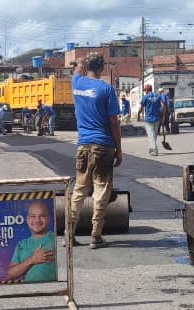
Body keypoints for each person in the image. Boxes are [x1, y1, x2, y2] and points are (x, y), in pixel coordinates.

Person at [69, 54, 122, 249]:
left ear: (86, 66)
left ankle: (70, 233)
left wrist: (80, 63)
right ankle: (95, 235)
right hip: (103, 146)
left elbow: (76, 70)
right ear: (102, 68)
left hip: (83, 146)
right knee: (101, 190)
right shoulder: (106, 89)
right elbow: (114, 123)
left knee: (80, 189)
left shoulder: (76, 82)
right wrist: (119, 149)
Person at [6, 201, 57, 282]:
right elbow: (10, 274)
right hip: (30, 290)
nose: (37, 220)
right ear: (27, 219)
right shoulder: (21, 244)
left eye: (42, 216)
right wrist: (32, 259)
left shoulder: (55, 239)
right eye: (33, 216)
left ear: (48, 219)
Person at [137, 84, 161, 156]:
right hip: (157, 118)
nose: (144, 91)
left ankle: (154, 150)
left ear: (147, 90)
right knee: (154, 135)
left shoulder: (145, 97)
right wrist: (162, 116)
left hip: (148, 119)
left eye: (144, 90)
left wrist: (138, 114)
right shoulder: (158, 96)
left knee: (151, 135)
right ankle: (151, 148)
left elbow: (141, 108)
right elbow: (163, 106)